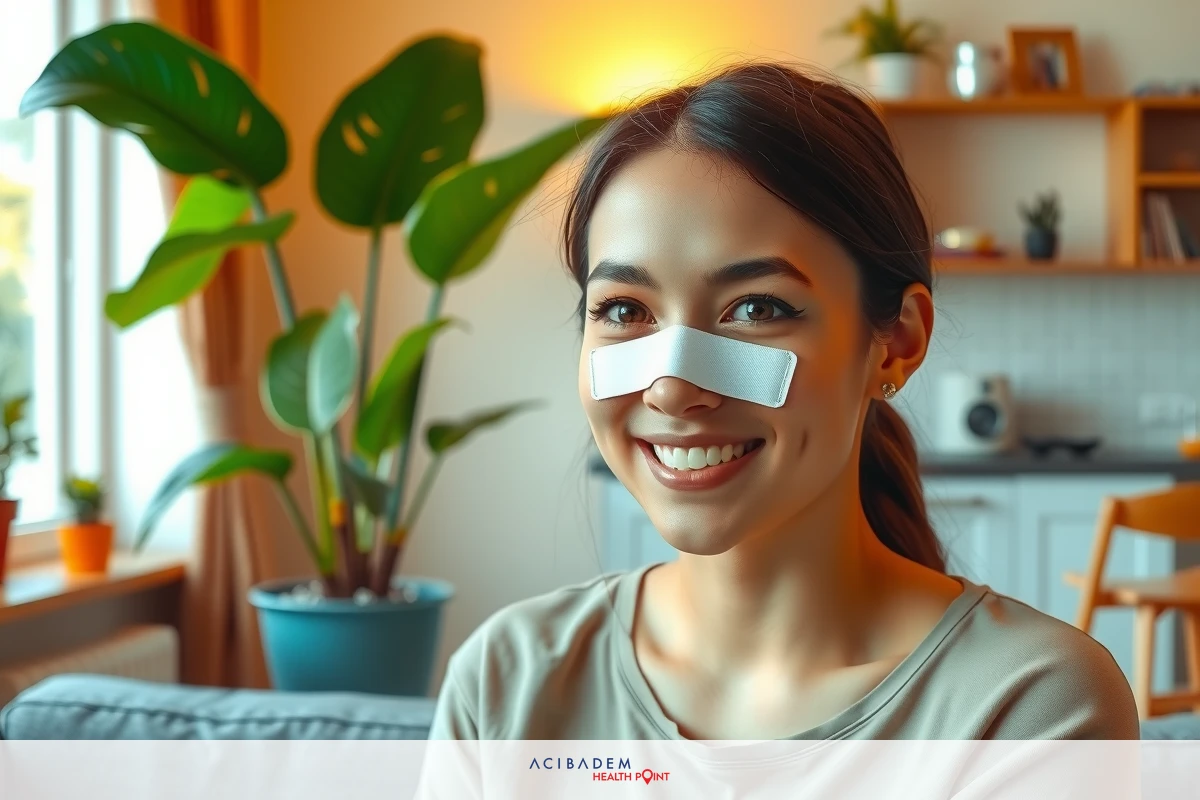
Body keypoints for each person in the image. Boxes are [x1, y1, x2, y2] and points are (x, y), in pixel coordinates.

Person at [427, 62, 1139, 742]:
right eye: (622, 310)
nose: (671, 387)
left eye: (757, 307)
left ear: (895, 342)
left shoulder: (1029, 706)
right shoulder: (504, 684)